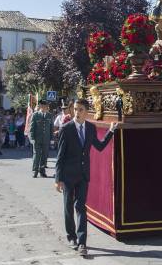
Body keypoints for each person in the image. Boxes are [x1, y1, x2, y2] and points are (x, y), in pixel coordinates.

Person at [55, 99, 117, 255]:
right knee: (68, 207)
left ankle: (82, 243)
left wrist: (111, 131)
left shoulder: (90, 127)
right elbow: (60, 155)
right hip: (68, 175)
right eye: (75, 109)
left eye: (80, 109)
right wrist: (58, 179)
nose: (77, 112)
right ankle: (72, 238)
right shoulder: (66, 128)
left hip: (83, 175)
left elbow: (100, 146)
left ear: (87, 111)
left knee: (81, 207)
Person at [29, 100, 54, 178]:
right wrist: (32, 137)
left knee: (44, 155)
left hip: (46, 139)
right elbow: (32, 127)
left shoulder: (50, 115)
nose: (45, 108)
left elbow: (51, 128)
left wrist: (52, 138)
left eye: (46, 106)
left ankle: (42, 171)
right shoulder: (35, 115)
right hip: (37, 139)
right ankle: (35, 171)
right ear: (40, 107)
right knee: (37, 155)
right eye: (43, 106)